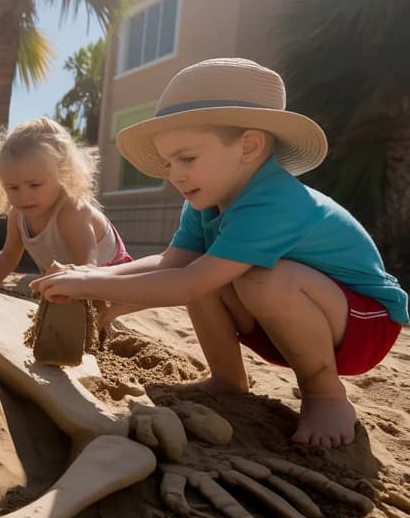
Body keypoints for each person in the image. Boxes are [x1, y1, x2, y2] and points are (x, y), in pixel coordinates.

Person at [31, 58, 407, 449]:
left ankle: (325, 394)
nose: (174, 174)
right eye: (168, 162)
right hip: (282, 324)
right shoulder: (204, 202)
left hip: (363, 326)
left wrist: (87, 281)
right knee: (215, 266)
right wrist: (101, 285)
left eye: (187, 158)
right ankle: (228, 379)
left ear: (249, 145)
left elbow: (188, 285)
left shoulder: (274, 201)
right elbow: (171, 264)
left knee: (259, 278)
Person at [0, 117, 130, 298]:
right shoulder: (17, 216)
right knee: (28, 284)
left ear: (61, 174)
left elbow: (88, 267)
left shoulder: (72, 212)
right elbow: (8, 256)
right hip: (68, 277)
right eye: (13, 188)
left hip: (110, 279)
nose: (24, 196)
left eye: (34, 185)